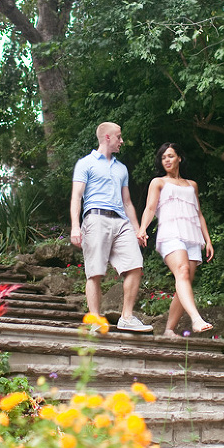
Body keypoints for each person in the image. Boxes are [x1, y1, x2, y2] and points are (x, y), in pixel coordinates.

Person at [70, 122, 153, 333]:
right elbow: (76, 197)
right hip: (95, 217)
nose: (122, 141)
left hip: (121, 221)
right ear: (107, 137)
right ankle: (96, 319)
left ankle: (126, 317)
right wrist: (75, 227)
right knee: (95, 272)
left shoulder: (121, 168)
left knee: (135, 265)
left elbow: (127, 202)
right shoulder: (85, 163)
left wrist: (137, 229)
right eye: (119, 137)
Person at [137, 142, 214, 339]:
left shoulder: (192, 185)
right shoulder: (158, 182)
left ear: (179, 157)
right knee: (182, 271)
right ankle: (196, 319)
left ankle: (169, 330)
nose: (167, 160)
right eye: (163, 158)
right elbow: (150, 208)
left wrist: (208, 240)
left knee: (184, 280)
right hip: (170, 232)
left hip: (193, 236)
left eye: (170, 156)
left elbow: (199, 214)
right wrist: (142, 228)